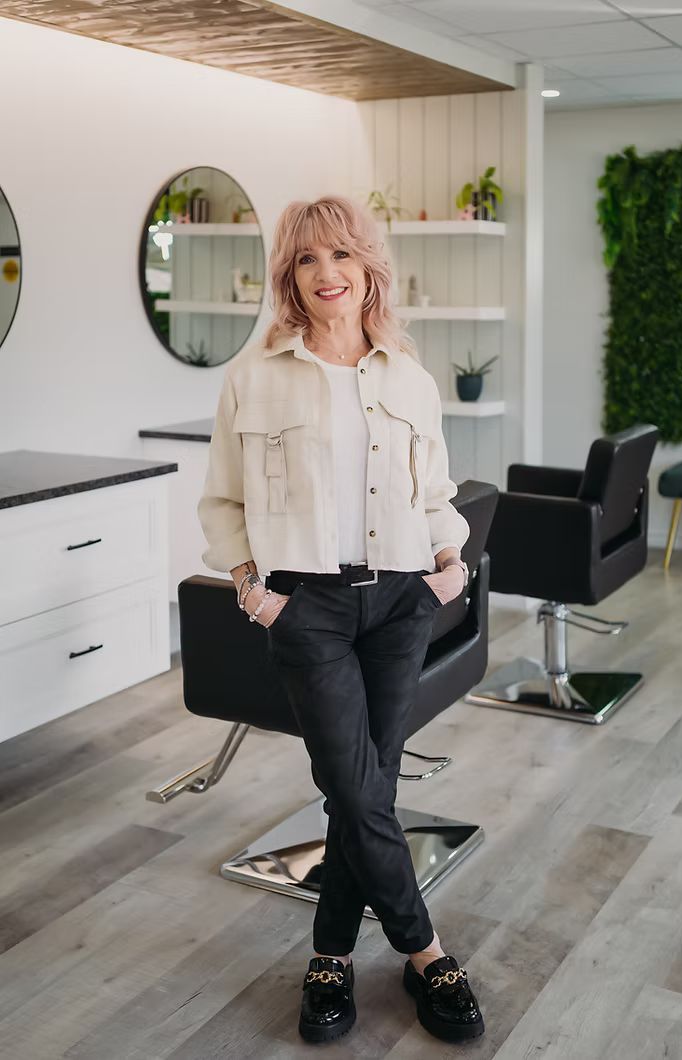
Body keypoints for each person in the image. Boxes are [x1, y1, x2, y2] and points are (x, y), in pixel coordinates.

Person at [197, 195, 484, 1045]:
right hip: (307, 605)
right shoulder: (254, 376)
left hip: (401, 600)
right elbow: (223, 499)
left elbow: (433, 489)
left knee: (369, 788)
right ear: (290, 277)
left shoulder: (409, 374)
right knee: (354, 786)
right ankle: (427, 952)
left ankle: (329, 958)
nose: (327, 275)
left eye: (343, 258)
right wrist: (254, 586)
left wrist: (448, 560)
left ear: (369, 271)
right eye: (308, 261)